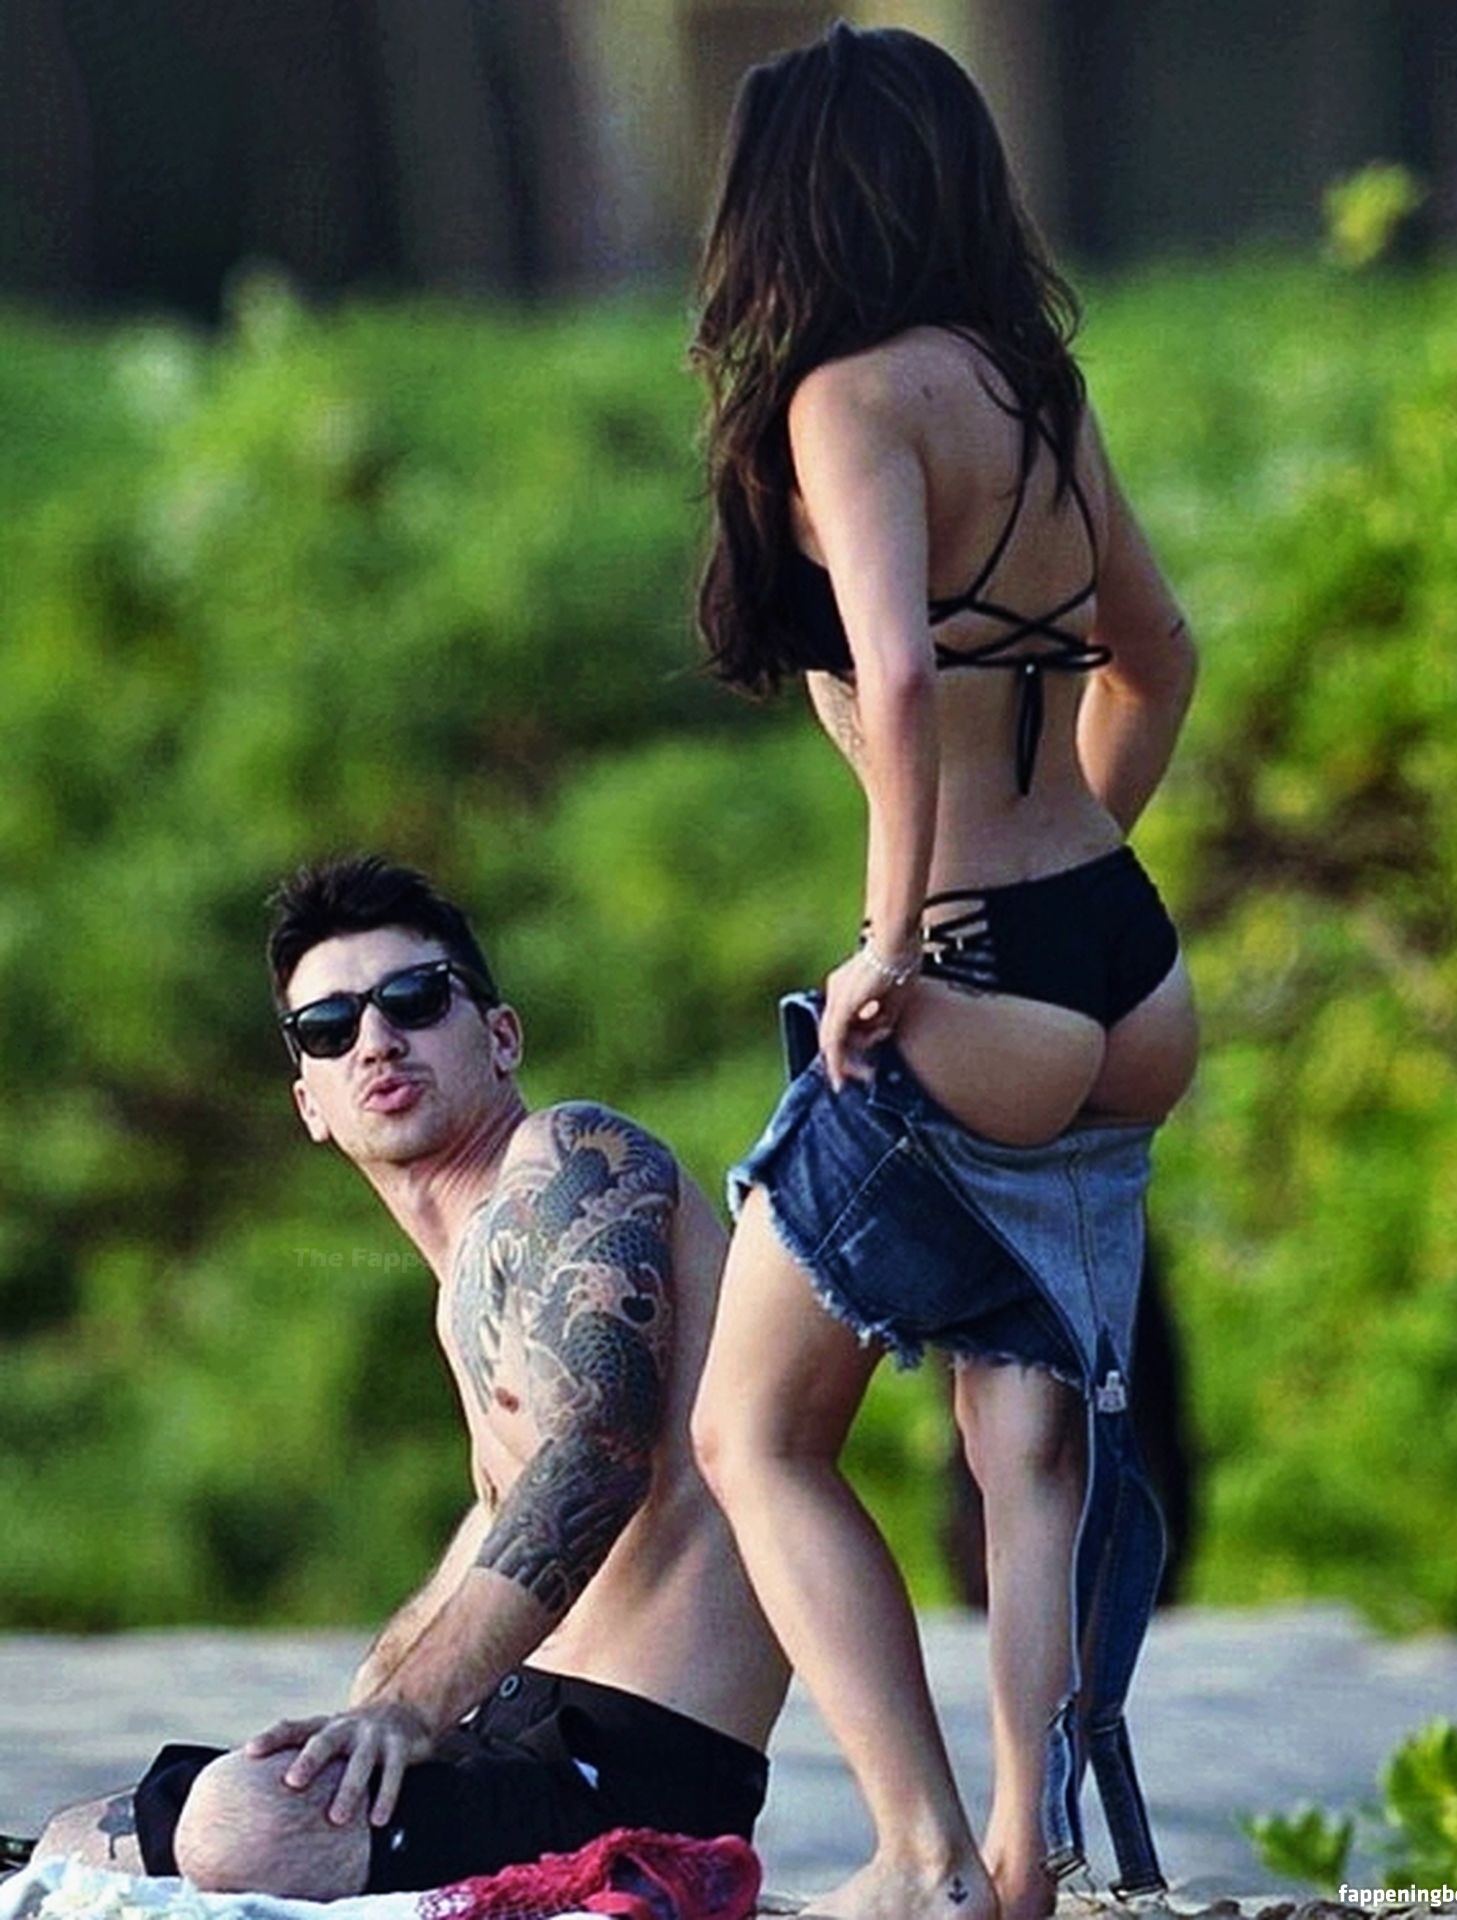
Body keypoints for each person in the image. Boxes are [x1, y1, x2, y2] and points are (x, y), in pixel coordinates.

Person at [686, 24, 1198, 1920]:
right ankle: (1015, 1858)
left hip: (967, 970)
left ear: (794, 198)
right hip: (1121, 965)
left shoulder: (847, 397)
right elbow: (1159, 656)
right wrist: (1079, 878)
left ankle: (913, 1858)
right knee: (1023, 1433)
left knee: (750, 1427)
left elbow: (897, 679)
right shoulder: (1032, 387)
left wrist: (893, 948)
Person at [32, 855, 788, 1898]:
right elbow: (500, 1511)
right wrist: (365, 1710)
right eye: (329, 1027)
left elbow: (598, 1454)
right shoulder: (462, 1277)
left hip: (632, 1766)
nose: (376, 1040)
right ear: (310, 1101)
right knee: (78, 1837)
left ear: (502, 1036)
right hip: (506, 1735)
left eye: (415, 999)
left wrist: (410, 1710)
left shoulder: (574, 1160)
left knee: (241, 1824)